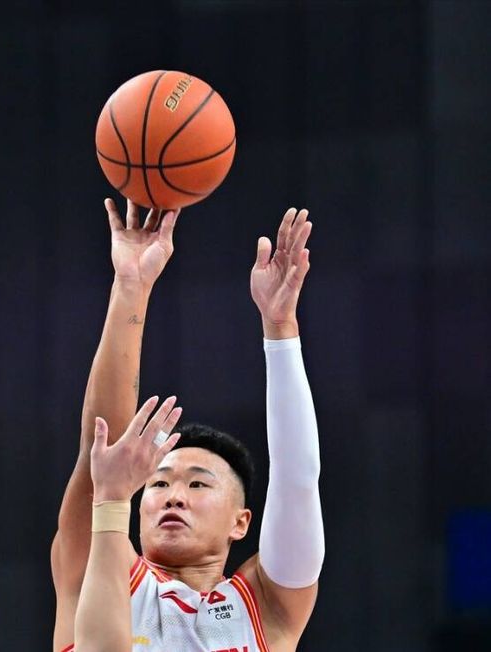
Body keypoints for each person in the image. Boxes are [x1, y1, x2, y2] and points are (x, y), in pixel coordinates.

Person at [51, 199, 325, 652]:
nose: (173, 496)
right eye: (158, 484)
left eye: (198, 484)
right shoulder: (97, 564)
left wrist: (281, 330)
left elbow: (298, 480)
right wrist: (131, 287)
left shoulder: (267, 608)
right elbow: (102, 444)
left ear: (241, 522)